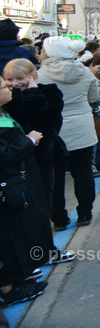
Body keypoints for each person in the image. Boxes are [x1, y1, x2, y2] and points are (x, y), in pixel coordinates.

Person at [0, 78, 55, 307]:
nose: (9, 88)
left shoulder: (5, 112)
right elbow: (4, 154)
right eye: (4, 86)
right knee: (8, 235)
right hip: (9, 183)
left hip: (18, 180)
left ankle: (18, 277)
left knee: (16, 231)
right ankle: (8, 287)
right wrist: (28, 141)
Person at [36, 37, 99, 228]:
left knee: (55, 176)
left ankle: (59, 218)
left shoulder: (39, 76)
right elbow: (94, 97)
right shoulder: (85, 72)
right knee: (83, 171)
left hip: (54, 130)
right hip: (81, 126)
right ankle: (85, 214)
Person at [2, 59, 67, 222]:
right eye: (10, 79)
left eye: (20, 78)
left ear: (33, 76)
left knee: (51, 193)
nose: (14, 83)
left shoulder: (51, 91)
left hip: (48, 152)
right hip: (23, 156)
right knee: (34, 200)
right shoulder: (8, 99)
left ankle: (58, 222)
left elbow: (43, 117)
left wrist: (30, 92)